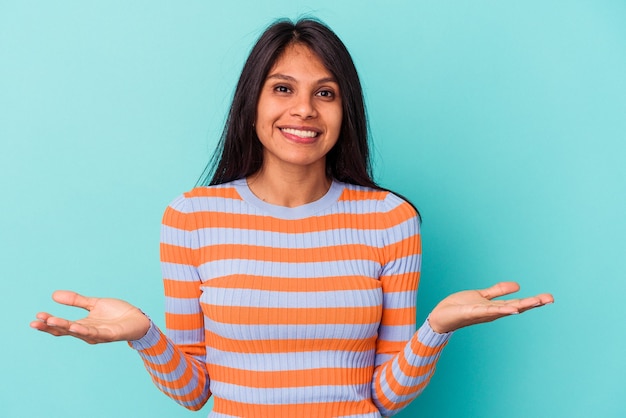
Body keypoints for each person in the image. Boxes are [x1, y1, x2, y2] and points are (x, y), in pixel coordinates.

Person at [30, 18, 554, 418]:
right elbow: (194, 394)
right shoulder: (191, 217)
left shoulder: (390, 219)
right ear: (252, 103)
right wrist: (144, 334)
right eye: (283, 88)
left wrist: (436, 329)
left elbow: (386, 396)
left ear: (344, 111)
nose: (304, 109)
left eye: (324, 93)